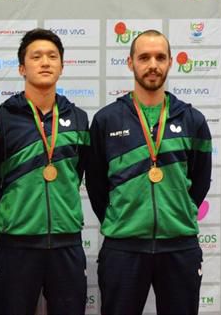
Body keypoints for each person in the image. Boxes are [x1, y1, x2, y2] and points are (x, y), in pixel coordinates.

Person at [86, 30, 212, 314]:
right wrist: (120, 219)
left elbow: (200, 180)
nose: (152, 64)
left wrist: (179, 212)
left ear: (170, 63)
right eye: (144, 57)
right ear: (130, 63)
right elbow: (95, 183)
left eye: (160, 57)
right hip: (123, 247)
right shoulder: (106, 120)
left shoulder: (193, 120)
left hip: (180, 247)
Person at [0, 28, 89, 314]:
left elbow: (79, 172)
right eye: (36, 57)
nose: (45, 62)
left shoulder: (79, 119)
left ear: (61, 65)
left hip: (66, 244)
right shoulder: (1, 119)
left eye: (52, 56)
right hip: (16, 244)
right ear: (22, 67)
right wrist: (8, 217)